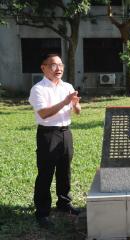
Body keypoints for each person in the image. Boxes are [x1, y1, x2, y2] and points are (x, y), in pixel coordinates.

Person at [29, 53, 81, 228]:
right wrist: (65, 101)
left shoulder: (67, 86)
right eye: (53, 65)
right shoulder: (38, 89)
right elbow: (44, 113)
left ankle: (64, 203)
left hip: (66, 132)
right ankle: (42, 212)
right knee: (46, 172)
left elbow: (77, 111)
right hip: (48, 134)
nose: (58, 68)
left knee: (65, 169)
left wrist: (75, 104)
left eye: (60, 65)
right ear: (43, 68)